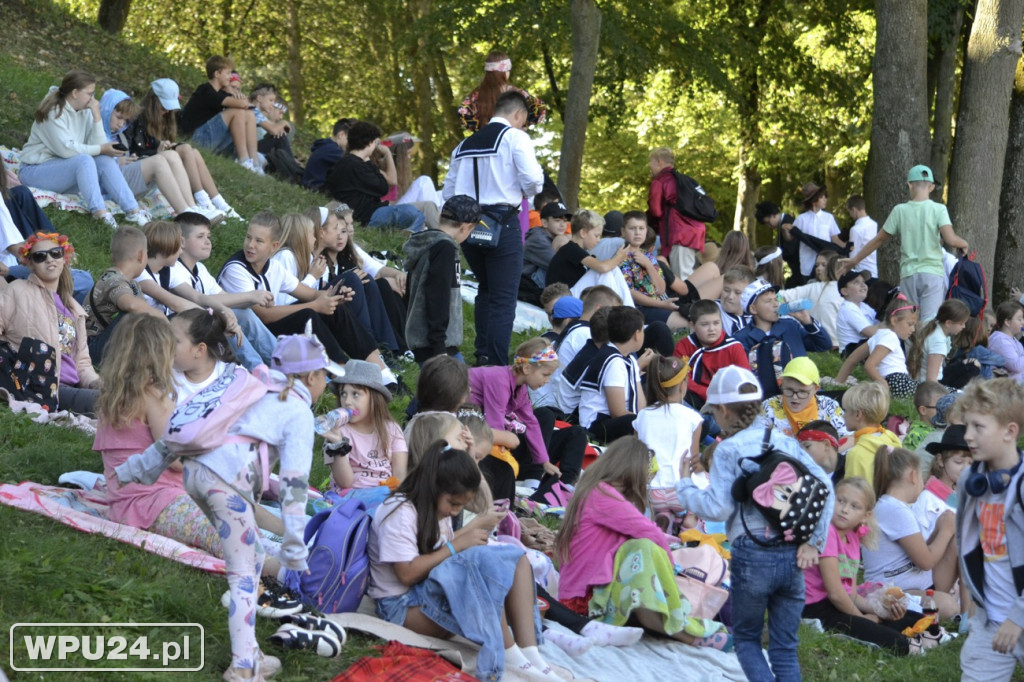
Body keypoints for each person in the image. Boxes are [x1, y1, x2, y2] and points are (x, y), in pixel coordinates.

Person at [182, 333, 332, 680]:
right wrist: (295, 545)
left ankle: (252, 651)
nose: (327, 383)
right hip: (226, 484)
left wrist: (145, 465)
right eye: (325, 375)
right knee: (244, 578)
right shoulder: (298, 412)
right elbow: (295, 486)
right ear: (310, 377)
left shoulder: (254, 385)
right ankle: (243, 667)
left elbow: (193, 413)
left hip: (195, 471)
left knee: (251, 556)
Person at [677, 365, 834, 681]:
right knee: (785, 647)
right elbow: (826, 487)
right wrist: (813, 541)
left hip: (752, 556)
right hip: (792, 554)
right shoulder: (782, 440)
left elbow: (718, 509)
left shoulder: (727, 450)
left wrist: (685, 486)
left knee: (748, 640)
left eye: (714, 413)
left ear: (723, 409)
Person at [368, 442, 561, 681]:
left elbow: (440, 547)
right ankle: (508, 652)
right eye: (454, 504)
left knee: (515, 558)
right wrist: (456, 546)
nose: (456, 511)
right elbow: (407, 574)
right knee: (479, 567)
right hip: (402, 607)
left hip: (426, 592)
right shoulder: (399, 511)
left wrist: (467, 538)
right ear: (434, 488)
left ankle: (530, 654)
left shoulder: (435, 507)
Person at [556, 436, 731, 649]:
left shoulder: (594, 490)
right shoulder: (602, 494)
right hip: (584, 601)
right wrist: (670, 569)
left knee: (641, 548)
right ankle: (683, 632)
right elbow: (650, 532)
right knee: (643, 548)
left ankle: (668, 623)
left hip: (580, 593)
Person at [217, 211, 395, 382]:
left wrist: (334, 296)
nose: (250, 245)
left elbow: (309, 293)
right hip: (254, 333)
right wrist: (316, 305)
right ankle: (342, 375)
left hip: (269, 327)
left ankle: (382, 372)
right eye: (248, 237)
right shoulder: (236, 269)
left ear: (274, 246)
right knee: (308, 314)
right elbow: (262, 316)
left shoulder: (273, 267)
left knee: (334, 309)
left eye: (258, 241)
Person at [444, 90, 544, 366]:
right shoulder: (515, 137)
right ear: (519, 115)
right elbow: (534, 181)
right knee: (503, 298)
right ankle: (497, 365)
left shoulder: (463, 146)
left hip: (467, 225)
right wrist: (521, 191)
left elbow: (448, 193)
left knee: (486, 290)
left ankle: (483, 354)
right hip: (503, 222)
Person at [802, 477, 932, 656]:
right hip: (817, 609)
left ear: (865, 515)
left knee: (913, 618)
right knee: (899, 644)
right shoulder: (827, 532)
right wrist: (863, 619)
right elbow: (836, 594)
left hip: (840, 604)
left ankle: (912, 634)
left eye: (854, 506)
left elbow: (852, 594)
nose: (845, 509)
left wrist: (883, 611)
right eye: (840, 501)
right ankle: (909, 641)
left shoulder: (853, 538)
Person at [18, 70, 149, 229]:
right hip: (34, 171)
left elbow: (99, 146)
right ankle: (100, 213)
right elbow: (66, 150)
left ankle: (133, 210)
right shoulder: (53, 111)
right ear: (74, 93)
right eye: (89, 94)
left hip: (62, 171)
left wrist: (97, 117)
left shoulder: (86, 110)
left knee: (103, 159)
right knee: (85, 159)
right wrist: (100, 148)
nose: (93, 99)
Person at [956, 378, 1024, 680]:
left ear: (1010, 431)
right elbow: (967, 541)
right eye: (967, 425)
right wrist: (974, 597)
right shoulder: (970, 480)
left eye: (978, 427)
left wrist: (1018, 616)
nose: (968, 436)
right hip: (990, 620)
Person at [839, 165, 969, 323]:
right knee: (929, 322)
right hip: (932, 273)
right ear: (932, 187)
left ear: (910, 185)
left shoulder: (899, 210)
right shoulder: (938, 209)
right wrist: (963, 243)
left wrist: (855, 260)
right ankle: (929, 348)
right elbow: (950, 239)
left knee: (909, 322)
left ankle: (911, 348)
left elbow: (878, 240)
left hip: (908, 275)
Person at [0, 232, 99, 414]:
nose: (49, 259)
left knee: (119, 395)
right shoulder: (17, 290)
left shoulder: (75, 309)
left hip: (72, 386)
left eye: (56, 253)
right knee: (111, 403)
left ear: (64, 258)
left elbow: (82, 364)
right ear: (29, 263)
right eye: (40, 256)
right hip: (39, 387)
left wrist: (96, 383)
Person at [470, 338, 587, 485]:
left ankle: (562, 486)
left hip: (487, 432)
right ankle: (530, 481)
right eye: (545, 374)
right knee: (540, 419)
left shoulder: (521, 389)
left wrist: (544, 461)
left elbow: (531, 422)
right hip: (473, 431)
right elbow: (496, 425)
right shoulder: (499, 379)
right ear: (526, 369)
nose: (547, 380)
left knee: (570, 429)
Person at [862, 446, 959, 618]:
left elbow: (919, 553)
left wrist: (938, 530)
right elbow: (926, 562)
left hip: (915, 585)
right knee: (948, 606)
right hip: (893, 591)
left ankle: (965, 609)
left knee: (958, 542)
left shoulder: (895, 506)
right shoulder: (894, 509)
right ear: (913, 476)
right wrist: (945, 530)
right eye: (921, 477)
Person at [99, 88, 222, 223]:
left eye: (125, 120)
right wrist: (116, 161)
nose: (121, 124)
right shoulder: (96, 130)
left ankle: (192, 207)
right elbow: (91, 159)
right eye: (118, 117)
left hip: (122, 177)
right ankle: (186, 216)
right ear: (106, 110)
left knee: (171, 155)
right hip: (109, 184)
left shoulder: (116, 133)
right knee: (158, 162)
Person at [123, 79, 240, 219]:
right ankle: (201, 203)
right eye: (163, 107)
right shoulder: (136, 118)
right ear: (153, 100)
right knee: (184, 149)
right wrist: (157, 150)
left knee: (192, 151)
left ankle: (217, 203)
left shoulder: (162, 119)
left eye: (169, 108)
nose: (166, 112)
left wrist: (163, 145)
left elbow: (151, 145)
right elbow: (134, 152)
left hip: (153, 162)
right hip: (143, 167)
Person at [171, 212, 278, 365]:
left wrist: (257, 300)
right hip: (183, 332)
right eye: (200, 237)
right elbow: (199, 301)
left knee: (242, 313)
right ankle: (259, 369)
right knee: (219, 315)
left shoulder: (200, 269)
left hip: (202, 327)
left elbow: (225, 298)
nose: (208, 242)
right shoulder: (174, 269)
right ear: (182, 242)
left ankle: (284, 360)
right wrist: (249, 296)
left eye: (208, 236)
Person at [322, 360, 407, 510]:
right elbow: (345, 482)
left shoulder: (392, 429)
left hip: (386, 494)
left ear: (374, 398)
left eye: (355, 394)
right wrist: (336, 444)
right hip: (350, 499)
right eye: (343, 394)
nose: (347, 401)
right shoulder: (337, 432)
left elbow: (400, 473)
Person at [404, 195, 479, 364]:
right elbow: (438, 295)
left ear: (440, 217)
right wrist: (439, 348)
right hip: (437, 346)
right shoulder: (444, 249)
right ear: (466, 227)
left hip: (426, 342)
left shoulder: (427, 244)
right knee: (459, 389)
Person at [324, 121, 437, 233]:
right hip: (366, 217)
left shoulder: (347, 163)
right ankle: (411, 236)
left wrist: (368, 160)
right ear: (369, 143)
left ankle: (441, 236)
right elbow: (382, 188)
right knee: (415, 214)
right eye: (375, 142)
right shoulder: (356, 166)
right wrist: (384, 155)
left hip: (368, 213)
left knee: (428, 206)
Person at [634, 355, 704, 530]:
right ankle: (689, 518)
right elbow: (694, 460)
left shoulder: (642, 416)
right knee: (705, 479)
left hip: (650, 493)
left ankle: (663, 515)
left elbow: (636, 454)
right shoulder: (693, 417)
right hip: (681, 493)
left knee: (660, 505)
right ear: (682, 386)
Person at [733, 278, 832, 398]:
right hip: (766, 398)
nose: (776, 304)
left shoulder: (790, 325)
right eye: (768, 301)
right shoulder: (742, 338)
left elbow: (823, 345)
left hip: (802, 393)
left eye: (776, 299)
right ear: (753, 309)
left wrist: (808, 322)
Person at [84, 226, 166, 364]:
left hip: (108, 344)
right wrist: (163, 319)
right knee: (134, 315)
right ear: (141, 256)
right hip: (94, 348)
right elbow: (131, 305)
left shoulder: (132, 284)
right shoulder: (113, 279)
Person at [578, 307, 650, 443]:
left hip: (618, 419)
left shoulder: (630, 359)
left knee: (649, 418)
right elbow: (617, 412)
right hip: (596, 425)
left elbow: (641, 406)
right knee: (635, 421)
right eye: (643, 331)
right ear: (636, 334)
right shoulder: (613, 361)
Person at [178, 56, 261, 172]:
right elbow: (243, 105)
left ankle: (255, 163)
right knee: (237, 112)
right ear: (217, 74)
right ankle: (244, 160)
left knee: (249, 115)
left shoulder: (219, 93)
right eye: (227, 73)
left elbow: (247, 107)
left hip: (207, 139)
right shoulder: (206, 90)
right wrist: (237, 97)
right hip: (195, 140)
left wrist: (235, 96)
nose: (230, 77)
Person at [672, 298, 749, 408]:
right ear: (692, 326)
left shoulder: (734, 347)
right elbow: (681, 378)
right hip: (694, 397)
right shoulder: (683, 345)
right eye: (705, 324)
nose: (712, 329)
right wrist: (707, 394)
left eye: (716, 323)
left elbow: (744, 380)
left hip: (726, 401)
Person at [618, 212, 690, 328]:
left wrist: (648, 265)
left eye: (641, 228)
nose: (637, 233)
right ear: (623, 231)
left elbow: (661, 289)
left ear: (646, 231)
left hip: (659, 303)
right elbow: (630, 293)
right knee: (686, 325)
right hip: (639, 309)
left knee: (695, 317)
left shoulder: (649, 256)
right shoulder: (621, 258)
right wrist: (661, 304)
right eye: (632, 228)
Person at [646, 147, 705, 279]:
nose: (649, 166)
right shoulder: (683, 180)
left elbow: (656, 211)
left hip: (679, 234)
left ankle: (688, 300)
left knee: (682, 276)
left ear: (659, 161)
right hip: (694, 232)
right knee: (686, 271)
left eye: (651, 162)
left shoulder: (660, 181)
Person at [759, 356, 847, 440]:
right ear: (782, 384)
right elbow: (755, 441)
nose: (794, 397)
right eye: (789, 390)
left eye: (802, 392)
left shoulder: (829, 407)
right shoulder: (769, 407)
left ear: (816, 389)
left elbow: (848, 438)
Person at [457, 50, 547, 132]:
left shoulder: (475, 96)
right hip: (510, 140)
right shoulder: (516, 93)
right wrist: (522, 125)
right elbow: (540, 109)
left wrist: (480, 131)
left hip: (486, 143)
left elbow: (463, 112)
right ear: (505, 72)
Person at [912, 424, 971, 540]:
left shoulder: (973, 497)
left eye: (972, 464)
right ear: (941, 460)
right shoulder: (927, 499)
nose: (966, 469)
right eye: (959, 462)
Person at [777, 250, 843, 348]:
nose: (819, 268)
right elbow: (781, 295)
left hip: (824, 343)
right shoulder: (813, 287)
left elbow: (779, 295)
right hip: (834, 344)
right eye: (817, 265)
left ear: (834, 266)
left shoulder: (813, 287)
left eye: (824, 265)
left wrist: (782, 306)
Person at [168, 307, 237, 401]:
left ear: (200, 350)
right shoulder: (164, 379)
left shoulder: (233, 376)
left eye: (175, 341)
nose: (166, 344)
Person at [842, 381, 902, 485]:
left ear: (858, 414)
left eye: (845, 410)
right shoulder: (891, 437)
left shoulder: (855, 454)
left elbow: (853, 493)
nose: (843, 416)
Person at [865, 296, 921, 399]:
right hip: (899, 382)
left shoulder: (877, 336)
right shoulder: (890, 337)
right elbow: (869, 365)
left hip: (897, 383)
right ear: (894, 320)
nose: (913, 329)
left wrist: (839, 381)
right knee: (943, 392)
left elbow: (852, 359)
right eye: (910, 324)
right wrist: (883, 385)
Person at [906, 298, 970, 386]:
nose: (964, 326)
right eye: (961, 323)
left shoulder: (935, 325)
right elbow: (931, 380)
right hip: (926, 388)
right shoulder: (938, 343)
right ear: (948, 323)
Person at [519, 200, 571, 305]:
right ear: (544, 223)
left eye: (565, 221)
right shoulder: (537, 240)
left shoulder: (554, 236)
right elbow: (559, 266)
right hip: (529, 285)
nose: (562, 225)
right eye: (557, 220)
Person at [793, 183, 844, 282]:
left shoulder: (829, 218)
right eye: (822, 197)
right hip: (807, 264)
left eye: (826, 196)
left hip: (826, 264)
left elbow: (835, 239)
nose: (825, 199)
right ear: (814, 200)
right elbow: (792, 237)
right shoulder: (801, 219)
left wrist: (846, 247)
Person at [755, 201, 802, 287]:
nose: (768, 226)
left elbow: (791, 250)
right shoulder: (783, 224)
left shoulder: (787, 223)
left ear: (773, 215)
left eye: (768, 222)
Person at [834, 269, 878, 358]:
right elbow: (872, 332)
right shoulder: (848, 308)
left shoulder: (863, 306)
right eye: (856, 283)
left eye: (863, 282)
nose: (863, 285)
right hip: (850, 354)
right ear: (844, 291)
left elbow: (878, 323)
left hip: (861, 350)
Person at [302, 118, 353, 191]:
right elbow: (354, 166)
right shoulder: (333, 150)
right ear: (341, 134)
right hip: (317, 187)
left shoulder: (327, 146)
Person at [902, 381, 947, 451]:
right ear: (923, 410)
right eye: (939, 407)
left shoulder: (943, 427)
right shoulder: (915, 435)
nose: (944, 411)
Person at [987, 300, 1024, 383]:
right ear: (1007, 322)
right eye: (1019, 319)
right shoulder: (1000, 341)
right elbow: (1016, 366)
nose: (1023, 322)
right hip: (1005, 390)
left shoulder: (1014, 341)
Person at [845, 195, 878, 279]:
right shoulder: (875, 225)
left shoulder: (856, 229)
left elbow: (852, 256)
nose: (850, 215)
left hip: (862, 274)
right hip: (875, 271)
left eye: (849, 212)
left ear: (854, 209)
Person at [717, 266, 754, 336]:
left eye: (737, 292)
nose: (730, 296)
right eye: (726, 290)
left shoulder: (753, 316)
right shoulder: (714, 309)